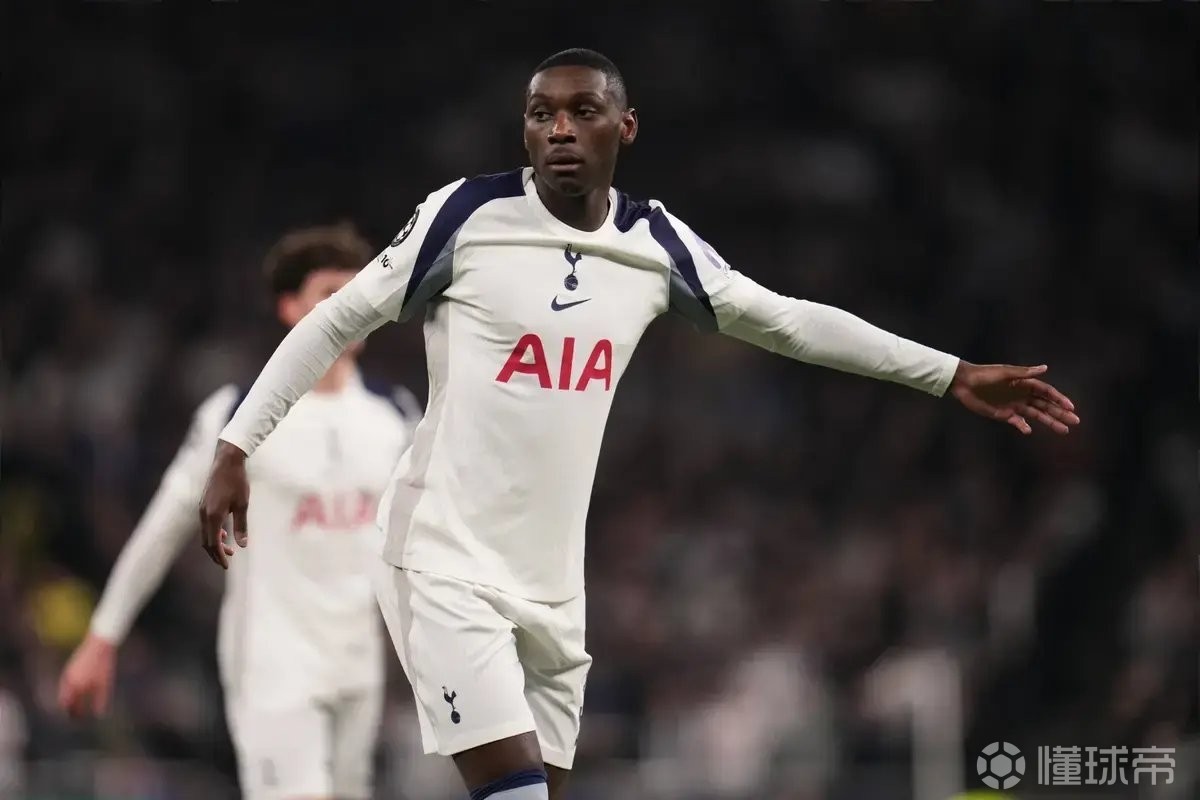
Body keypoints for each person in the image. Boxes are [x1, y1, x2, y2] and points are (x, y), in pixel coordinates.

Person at [198, 49, 1080, 800]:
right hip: (441, 560)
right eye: (541, 114)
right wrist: (238, 445)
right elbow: (334, 320)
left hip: (553, 585)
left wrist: (948, 372)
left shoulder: (654, 246)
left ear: (625, 128)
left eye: (583, 112)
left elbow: (788, 321)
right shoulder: (465, 218)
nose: (560, 130)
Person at [59, 223, 419, 800]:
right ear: (289, 307)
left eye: (358, 293)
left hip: (359, 665)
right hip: (272, 663)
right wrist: (104, 635)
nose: (351, 308)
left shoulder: (395, 416)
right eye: (331, 294)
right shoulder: (237, 415)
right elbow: (164, 526)